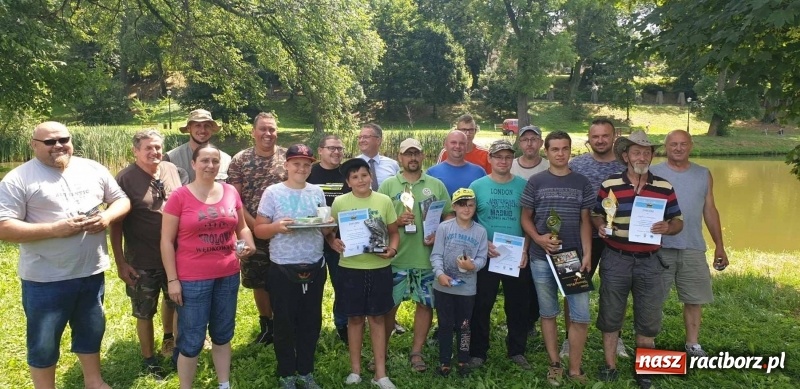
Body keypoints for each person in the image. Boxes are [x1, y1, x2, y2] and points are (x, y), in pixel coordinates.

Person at [0, 121, 130, 389]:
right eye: (49, 142)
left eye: (63, 139)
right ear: (34, 145)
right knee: (44, 340)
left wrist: (106, 216)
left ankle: (93, 381)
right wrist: (54, 230)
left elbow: (122, 200)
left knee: (91, 330)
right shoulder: (19, 178)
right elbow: (4, 227)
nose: (58, 145)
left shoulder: (92, 168)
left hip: (90, 271)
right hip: (46, 278)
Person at [591, 130, 683, 389]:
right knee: (610, 314)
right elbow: (597, 214)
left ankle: (645, 371)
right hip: (616, 258)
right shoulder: (610, 184)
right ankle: (609, 365)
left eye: (646, 151)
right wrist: (599, 225)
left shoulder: (664, 187)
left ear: (652, 155)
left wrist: (668, 227)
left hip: (650, 261)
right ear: (625, 155)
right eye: (636, 151)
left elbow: (678, 221)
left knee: (649, 317)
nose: (641, 156)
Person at [161, 144, 256, 389]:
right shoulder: (179, 196)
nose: (210, 165)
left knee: (223, 334)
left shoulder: (230, 192)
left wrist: (248, 244)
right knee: (191, 340)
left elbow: (242, 227)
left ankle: (224, 384)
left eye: (215, 161)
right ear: (193, 164)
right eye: (204, 160)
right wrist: (173, 280)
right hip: (193, 279)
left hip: (228, 274)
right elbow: (166, 241)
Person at [254, 144, 334, 389]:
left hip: (314, 264)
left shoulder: (316, 192)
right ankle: (287, 373)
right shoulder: (273, 192)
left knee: (311, 322)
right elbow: (259, 229)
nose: (302, 168)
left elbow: (324, 228)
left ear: (311, 167)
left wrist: (330, 224)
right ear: (286, 165)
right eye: (296, 163)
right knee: (285, 323)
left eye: (306, 164)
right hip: (283, 268)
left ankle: (306, 371)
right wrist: (277, 227)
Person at [520, 131, 594, 385]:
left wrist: (587, 254)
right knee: (548, 312)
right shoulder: (536, 181)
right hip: (542, 257)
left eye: (565, 149)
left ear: (570, 151)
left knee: (581, 315)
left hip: (572, 259)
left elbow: (586, 221)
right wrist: (538, 239)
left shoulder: (582, 182)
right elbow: (525, 218)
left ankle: (574, 367)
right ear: (547, 152)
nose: (560, 154)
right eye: (555, 149)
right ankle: (554, 363)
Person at [650, 129, 729, 357]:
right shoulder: (653, 173)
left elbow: (710, 210)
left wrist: (719, 246)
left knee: (694, 299)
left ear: (691, 146)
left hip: (693, 245)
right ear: (666, 147)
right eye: (673, 144)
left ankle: (693, 344)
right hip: (659, 247)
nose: (678, 148)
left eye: (683, 144)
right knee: (653, 298)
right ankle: (648, 341)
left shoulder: (703, 174)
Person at [378, 138, 452, 373]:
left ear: (423, 157)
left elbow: (449, 216)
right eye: (407, 154)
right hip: (395, 257)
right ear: (400, 157)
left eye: (416, 154)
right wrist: (395, 222)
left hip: (425, 257)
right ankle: (382, 351)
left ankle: (416, 352)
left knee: (424, 305)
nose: (412, 158)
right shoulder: (389, 185)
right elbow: (376, 220)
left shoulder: (436, 185)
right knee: (389, 306)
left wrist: (438, 232)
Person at [110, 130, 181, 378]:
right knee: (144, 310)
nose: (155, 152)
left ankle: (171, 343)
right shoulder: (125, 179)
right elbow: (115, 224)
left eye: (158, 147)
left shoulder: (171, 170)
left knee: (174, 301)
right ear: (136, 151)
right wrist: (121, 263)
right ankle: (149, 359)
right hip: (142, 260)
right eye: (148, 148)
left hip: (175, 256)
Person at [328, 158, 399, 389]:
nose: (360, 180)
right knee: (355, 319)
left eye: (364, 175)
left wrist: (393, 249)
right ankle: (355, 371)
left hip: (379, 268)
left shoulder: (384, 200)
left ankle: (380, 373)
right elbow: (329, 232)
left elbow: (393, 232)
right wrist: (333, 241)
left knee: (378, 318)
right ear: (348, 182)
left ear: (371, 176)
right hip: (350, 269)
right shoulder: (339, 203)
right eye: (355, 177)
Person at [467, 140, 534, 370]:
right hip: (487, 254)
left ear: (512, 159)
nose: (503, 161)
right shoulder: (477, 186)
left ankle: (516, 350)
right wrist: (483, 243)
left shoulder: (524, 185)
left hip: (516, 254)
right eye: (498, 156)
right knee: (482, 304)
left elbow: (528, 220)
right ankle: (478, 352)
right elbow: (468, 219)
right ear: (490, 159)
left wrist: (525, 248)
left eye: (507, 157)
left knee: (518, 305)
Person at [566, 118, 629, 359]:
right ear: (589, 138)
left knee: (616, 289)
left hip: (618, 237)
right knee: (574, 286)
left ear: (614, 136)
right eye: (595, 136)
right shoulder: (577, 164)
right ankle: (568, 338)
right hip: (581, 235)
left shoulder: (627, 165)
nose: (600, 140)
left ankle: (617, 337)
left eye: (605, 135)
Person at [227, 112, 287, 345]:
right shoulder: (240, 160)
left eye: (271, 129)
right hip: (250, 232)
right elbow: (235, 200)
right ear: (253, 132)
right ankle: (267, 325)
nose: (267, 134)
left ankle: (284, 322)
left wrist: (275, 227)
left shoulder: (287, 157)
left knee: (285, 278)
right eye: (262, 129)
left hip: (285, 231)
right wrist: (259, 226)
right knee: (258, 280)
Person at [429, 188, 488, 377]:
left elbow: (482, 258)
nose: (466, 209)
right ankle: (444, 361)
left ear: (475, 207)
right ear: (454, 206)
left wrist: (473, 266)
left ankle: (463, 360)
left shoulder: (480, 231)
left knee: (464, 325)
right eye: (462, 205)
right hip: (443, 286)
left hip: (467, 288)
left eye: (470, 205)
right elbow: (436, 254)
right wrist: (439, 274)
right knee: (445, 324)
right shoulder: (444, 228)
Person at [307, 134, 350, 343]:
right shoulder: (309, 173)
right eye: (331, 148)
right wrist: (326, 237)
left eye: (340, 149)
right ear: (320, 150)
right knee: (311, 287)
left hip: (341, 241)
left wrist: (333, 238)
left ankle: (343, 325)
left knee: (342, 285)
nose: (336, 152)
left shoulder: (348, 174)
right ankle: (309, 327)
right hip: (312, 240)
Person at [166, 109, 232, 183]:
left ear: (212, 129)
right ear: (189, 128)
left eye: (207, 126)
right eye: (198, 125)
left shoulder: (226, 160)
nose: (203, 130)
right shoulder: (171, 158)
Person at [428, 130, 486, 196]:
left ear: (466, 146)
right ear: (445, 145)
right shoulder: (432, 173)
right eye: (453, 142)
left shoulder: (479, 172)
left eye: (462, 143)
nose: (458, 146)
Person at [356, 123, 399, 190]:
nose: (361, 140)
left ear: (378, 140)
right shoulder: (352, 164)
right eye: (359, 137)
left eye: (366, 137)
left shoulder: (393, 164)